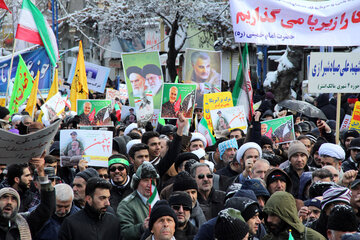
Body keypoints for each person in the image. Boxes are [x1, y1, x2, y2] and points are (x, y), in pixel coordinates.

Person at [117, 162, 160, 240]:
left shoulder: (159, 202)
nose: (150, 184)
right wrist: (142, 227)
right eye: (146, 180)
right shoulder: (126, 205)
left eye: (153, 180)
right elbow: (124, 233)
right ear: (137, 182)